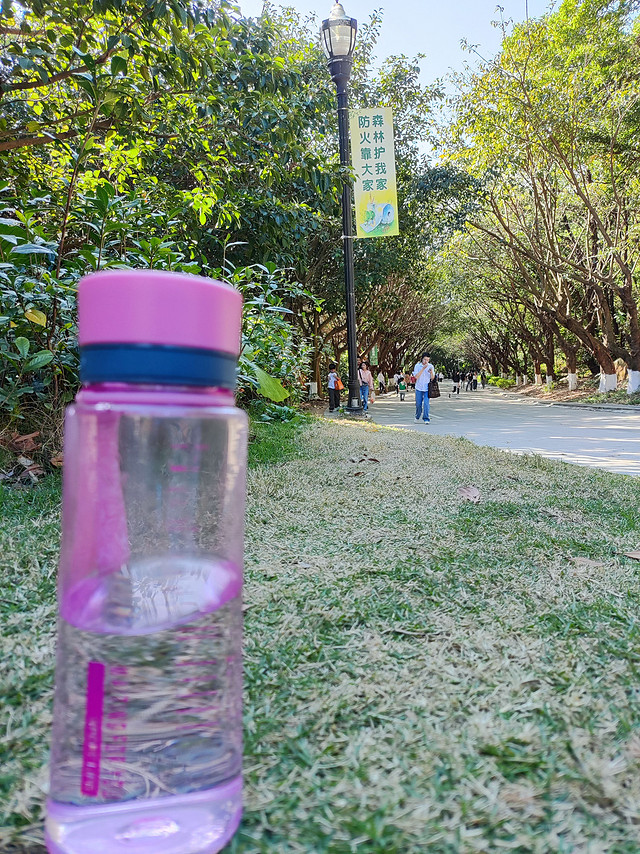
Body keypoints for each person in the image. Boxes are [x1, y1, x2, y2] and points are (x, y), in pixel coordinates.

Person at [413, 352, 435, 423]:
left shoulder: (431, 366)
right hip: (418, 387)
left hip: (427, 388)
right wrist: (422, 369)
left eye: (428, 360)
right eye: (425, 359)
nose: (426, 361)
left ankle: (426, 418)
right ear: (422, 359)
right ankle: (417, 416)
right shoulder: (417, 366)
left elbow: (432, 378)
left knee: (426, 403)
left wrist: (431, 372)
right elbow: (416, 376)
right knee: (418, 404)